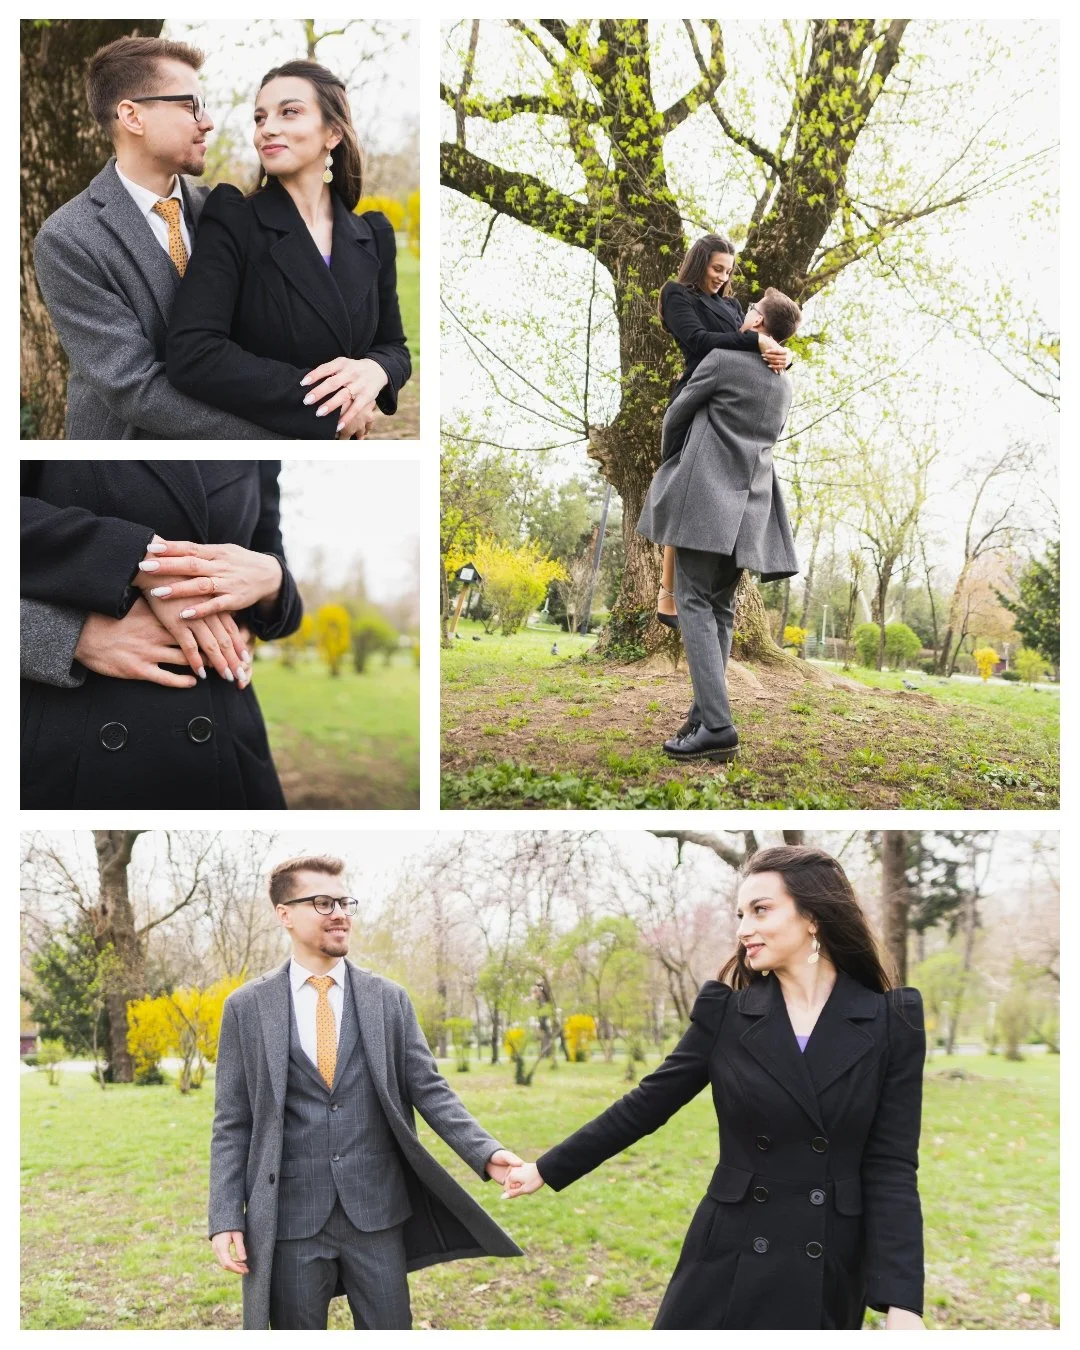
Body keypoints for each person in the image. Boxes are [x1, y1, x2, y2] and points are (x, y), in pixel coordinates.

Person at [505, 845, 926, 1331]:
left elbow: (892, 1167)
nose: (743, 928)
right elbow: (646, 1104)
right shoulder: (727, 1015)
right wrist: (548, 1167)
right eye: (740, 914)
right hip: (729, 1253)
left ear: (813, 916)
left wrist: (903, 1303)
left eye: (760, 910)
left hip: (827, 1262)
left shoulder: (890, 1023)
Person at [209, 856, 523, 1330]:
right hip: (291, 1217)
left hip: (376, 1213)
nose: (339, 913)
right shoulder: (246, 1008)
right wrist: (225, 1214)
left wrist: (487, 1153)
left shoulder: (387, 999)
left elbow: (430, 1090)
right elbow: (233, 1121)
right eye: (322, 902)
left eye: (344, 901)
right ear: (284, 913)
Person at [32, 35, 281, 439]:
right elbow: (133, 386)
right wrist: (271, 435)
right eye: (190, 105)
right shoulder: (67, 238)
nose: (208, 121)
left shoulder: (220, 212)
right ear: (132, 116)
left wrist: (367, 372)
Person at [21, 460, 301, 808]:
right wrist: (73, 634)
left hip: (228, 734)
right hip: (74, 732)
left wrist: (272, 578)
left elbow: (268, 550)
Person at [166, 60, 410, 439]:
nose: (268, 129)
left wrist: (376, 370)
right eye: (260, 118)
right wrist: (335, 409)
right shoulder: (235, 219)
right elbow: (194, 353)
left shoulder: (373, 234)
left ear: (332, 133)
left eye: (289, 112)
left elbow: (394, 347)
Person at [636, 287, 803, 763]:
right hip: (751, 512)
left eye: (749, 311)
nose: (742, 313)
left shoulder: (720, 362)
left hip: (704, 501)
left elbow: (677, 416)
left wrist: (674, 461)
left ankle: (718, 725)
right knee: (721, 611)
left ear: (757, 325)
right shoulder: (783, 384)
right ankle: (702, 717)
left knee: (691, 601)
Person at [655, 234, 792, 627]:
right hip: (697, 396)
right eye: (717, 268)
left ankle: (717, 574)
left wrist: (780, 351)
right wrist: (756, 340)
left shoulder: (731, 306)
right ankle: (668, 593)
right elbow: (699, 342)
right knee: (678, 488)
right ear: (699, 262)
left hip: (729, 403)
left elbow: (751, 353)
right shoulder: (678, 295)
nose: (722, 277)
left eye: (728, 271)